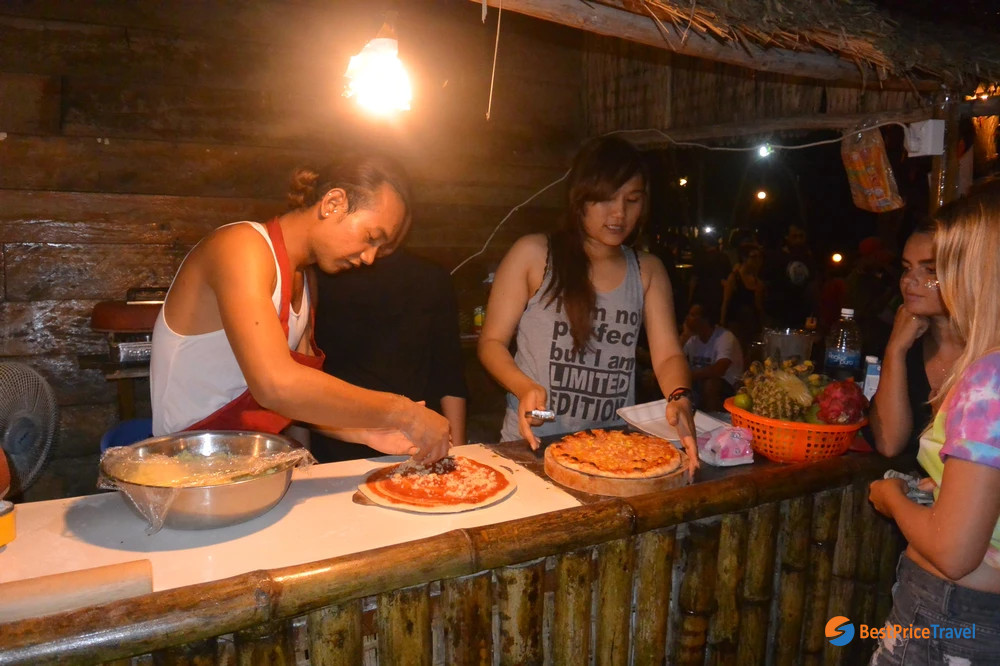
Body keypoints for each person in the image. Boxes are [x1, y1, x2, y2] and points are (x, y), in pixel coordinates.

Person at [150, 154, 451, 463]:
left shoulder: (305, 280)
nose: (370, 258)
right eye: (371, 237)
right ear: (333, 202)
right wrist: (404, 413)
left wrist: (363, 431)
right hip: (187, 467)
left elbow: (300, 399)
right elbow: (276, 385)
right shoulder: (241, 247)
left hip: (247, 464)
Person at [478, 136, 698, 473]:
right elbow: (491, 343)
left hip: (613, 445)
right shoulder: (534, 254)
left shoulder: (648, 270)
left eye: (632, 200)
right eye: (605, 199)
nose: (619, 213)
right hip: (537, 437)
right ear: (580, 199)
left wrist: (679, 397)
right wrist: (523, 387)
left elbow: (667, 355)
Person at [868, 189, 1000, 664]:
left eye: (943, 266)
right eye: (907, 268)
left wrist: (893, 499)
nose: (916, 281)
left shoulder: (990, 375)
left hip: (953, 616)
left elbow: (953, 551)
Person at [309, 249, 468, 462]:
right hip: (336, 443)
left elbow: (449, 370)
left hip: (420, 440)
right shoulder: (318, 274)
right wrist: (302, 455)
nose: (369, 254)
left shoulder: (430, 276)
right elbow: (297, 384)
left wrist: (458, 450)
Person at [869, 222, 963, 457]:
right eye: (906, 268)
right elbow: (889, 444)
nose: (909, 280)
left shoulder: (988, 352)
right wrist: (895, 349)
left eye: (930, 270)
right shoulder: (909, 347)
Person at [680, 303, 743, 411]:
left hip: (728, 387)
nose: (687, 318)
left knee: (710, 385)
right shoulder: (692, 340)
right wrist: (683, 337)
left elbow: (719, 369)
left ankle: (715, 422)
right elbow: (676, 361)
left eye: (692, 315)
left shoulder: (725, 337)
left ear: (705, 320)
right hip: (698, 383)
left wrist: (688, 376)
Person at [763, 223, 818, 329]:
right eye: (794, 236)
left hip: (802, 313)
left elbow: (812, 283)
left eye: (801, 236)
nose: (798, 240)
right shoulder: (776, 257)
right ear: (787, 237)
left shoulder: (809, 258)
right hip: (781, 313)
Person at [721, 242, 764, 358]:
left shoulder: (757, 280)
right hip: (736, 323)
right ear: (744, 258)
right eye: (753, 257)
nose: (757, 261)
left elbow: (758, 306)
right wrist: (722, 323)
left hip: (750, 323)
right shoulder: (734, 278)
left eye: (759, 257)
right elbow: (726, 302)